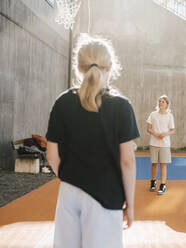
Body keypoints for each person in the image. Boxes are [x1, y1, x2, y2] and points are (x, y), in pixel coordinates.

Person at [46, 33, 140, 248]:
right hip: (106, 196)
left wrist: (72, 177)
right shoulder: (121, 106)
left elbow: (51, 154)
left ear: (78, 67)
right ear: (110, 67)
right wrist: (131, 206)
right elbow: (127, 161)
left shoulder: (63, 102)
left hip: (69, 193)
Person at [146, 95, 175, 195]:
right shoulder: (153, 114)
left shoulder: (169, 116)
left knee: (163, 164)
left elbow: (172, 130)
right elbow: (148, 128)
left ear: (167, 104)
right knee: (154, 164)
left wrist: (164, 134)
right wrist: (155, 134)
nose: (160, 103)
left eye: (162, 101)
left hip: (165, 144)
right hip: (154, 143)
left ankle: (163, 185)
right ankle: (153, 182)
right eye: (159, 101)